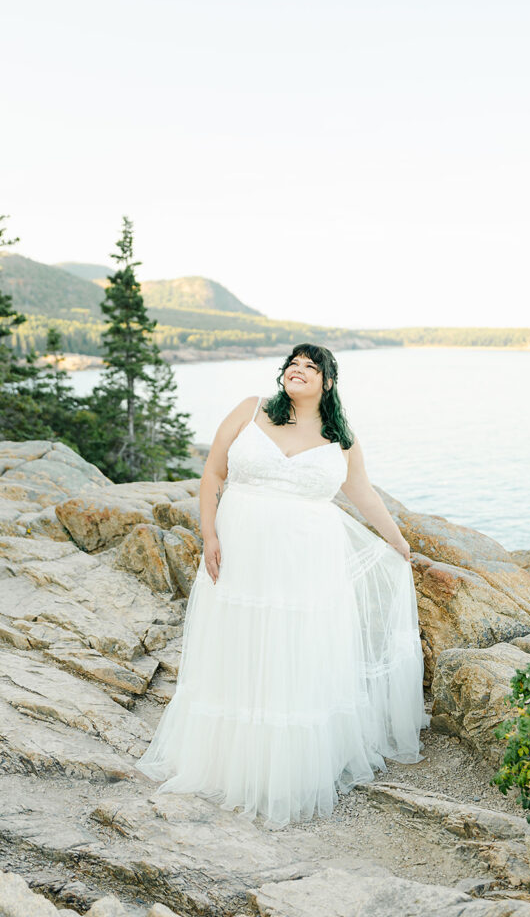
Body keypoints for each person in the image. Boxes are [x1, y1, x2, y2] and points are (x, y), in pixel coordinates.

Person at [134, 342, 429, 829]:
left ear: (327, 383)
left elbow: (362, 493)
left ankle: (282, 770)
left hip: (306, 563)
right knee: (239, 646)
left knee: (291, 652)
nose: (298, 370)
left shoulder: (341, 437)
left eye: (311, 367)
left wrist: (397, 541)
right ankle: (227, 761)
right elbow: (213, 472)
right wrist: (208, 533)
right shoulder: (249, 411)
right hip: (242, 554)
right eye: (293, 364)